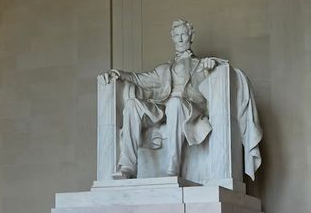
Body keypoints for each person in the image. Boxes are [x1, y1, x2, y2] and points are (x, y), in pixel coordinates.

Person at [100, 18, 262, 179]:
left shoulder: (202, 64)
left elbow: (225, 73)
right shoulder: (164, 69)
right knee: (132, 105)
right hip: (164, 108)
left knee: (175, 103)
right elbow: (140, 79)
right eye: (176, 35)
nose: (180, 38)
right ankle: (127, 167)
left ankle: (173, 166)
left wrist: (211, 67)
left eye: (183, 34)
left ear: (191, 37)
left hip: (191, 108)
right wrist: (119, 74)